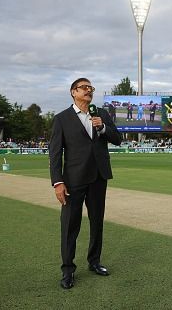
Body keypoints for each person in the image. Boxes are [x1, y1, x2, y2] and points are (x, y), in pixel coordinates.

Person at [49, 78, 122, 289]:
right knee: (70, 225)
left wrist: (102, 128)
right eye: (84, 87)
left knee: (97, 222)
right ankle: (68, 270)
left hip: (98, 178)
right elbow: (55, 154)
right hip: (73, 180)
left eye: (91, 88)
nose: (89, 91)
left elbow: (117, 138)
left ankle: (94, 261)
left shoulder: (102, 114)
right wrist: (57, 182)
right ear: (73, 92)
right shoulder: (62, 119)